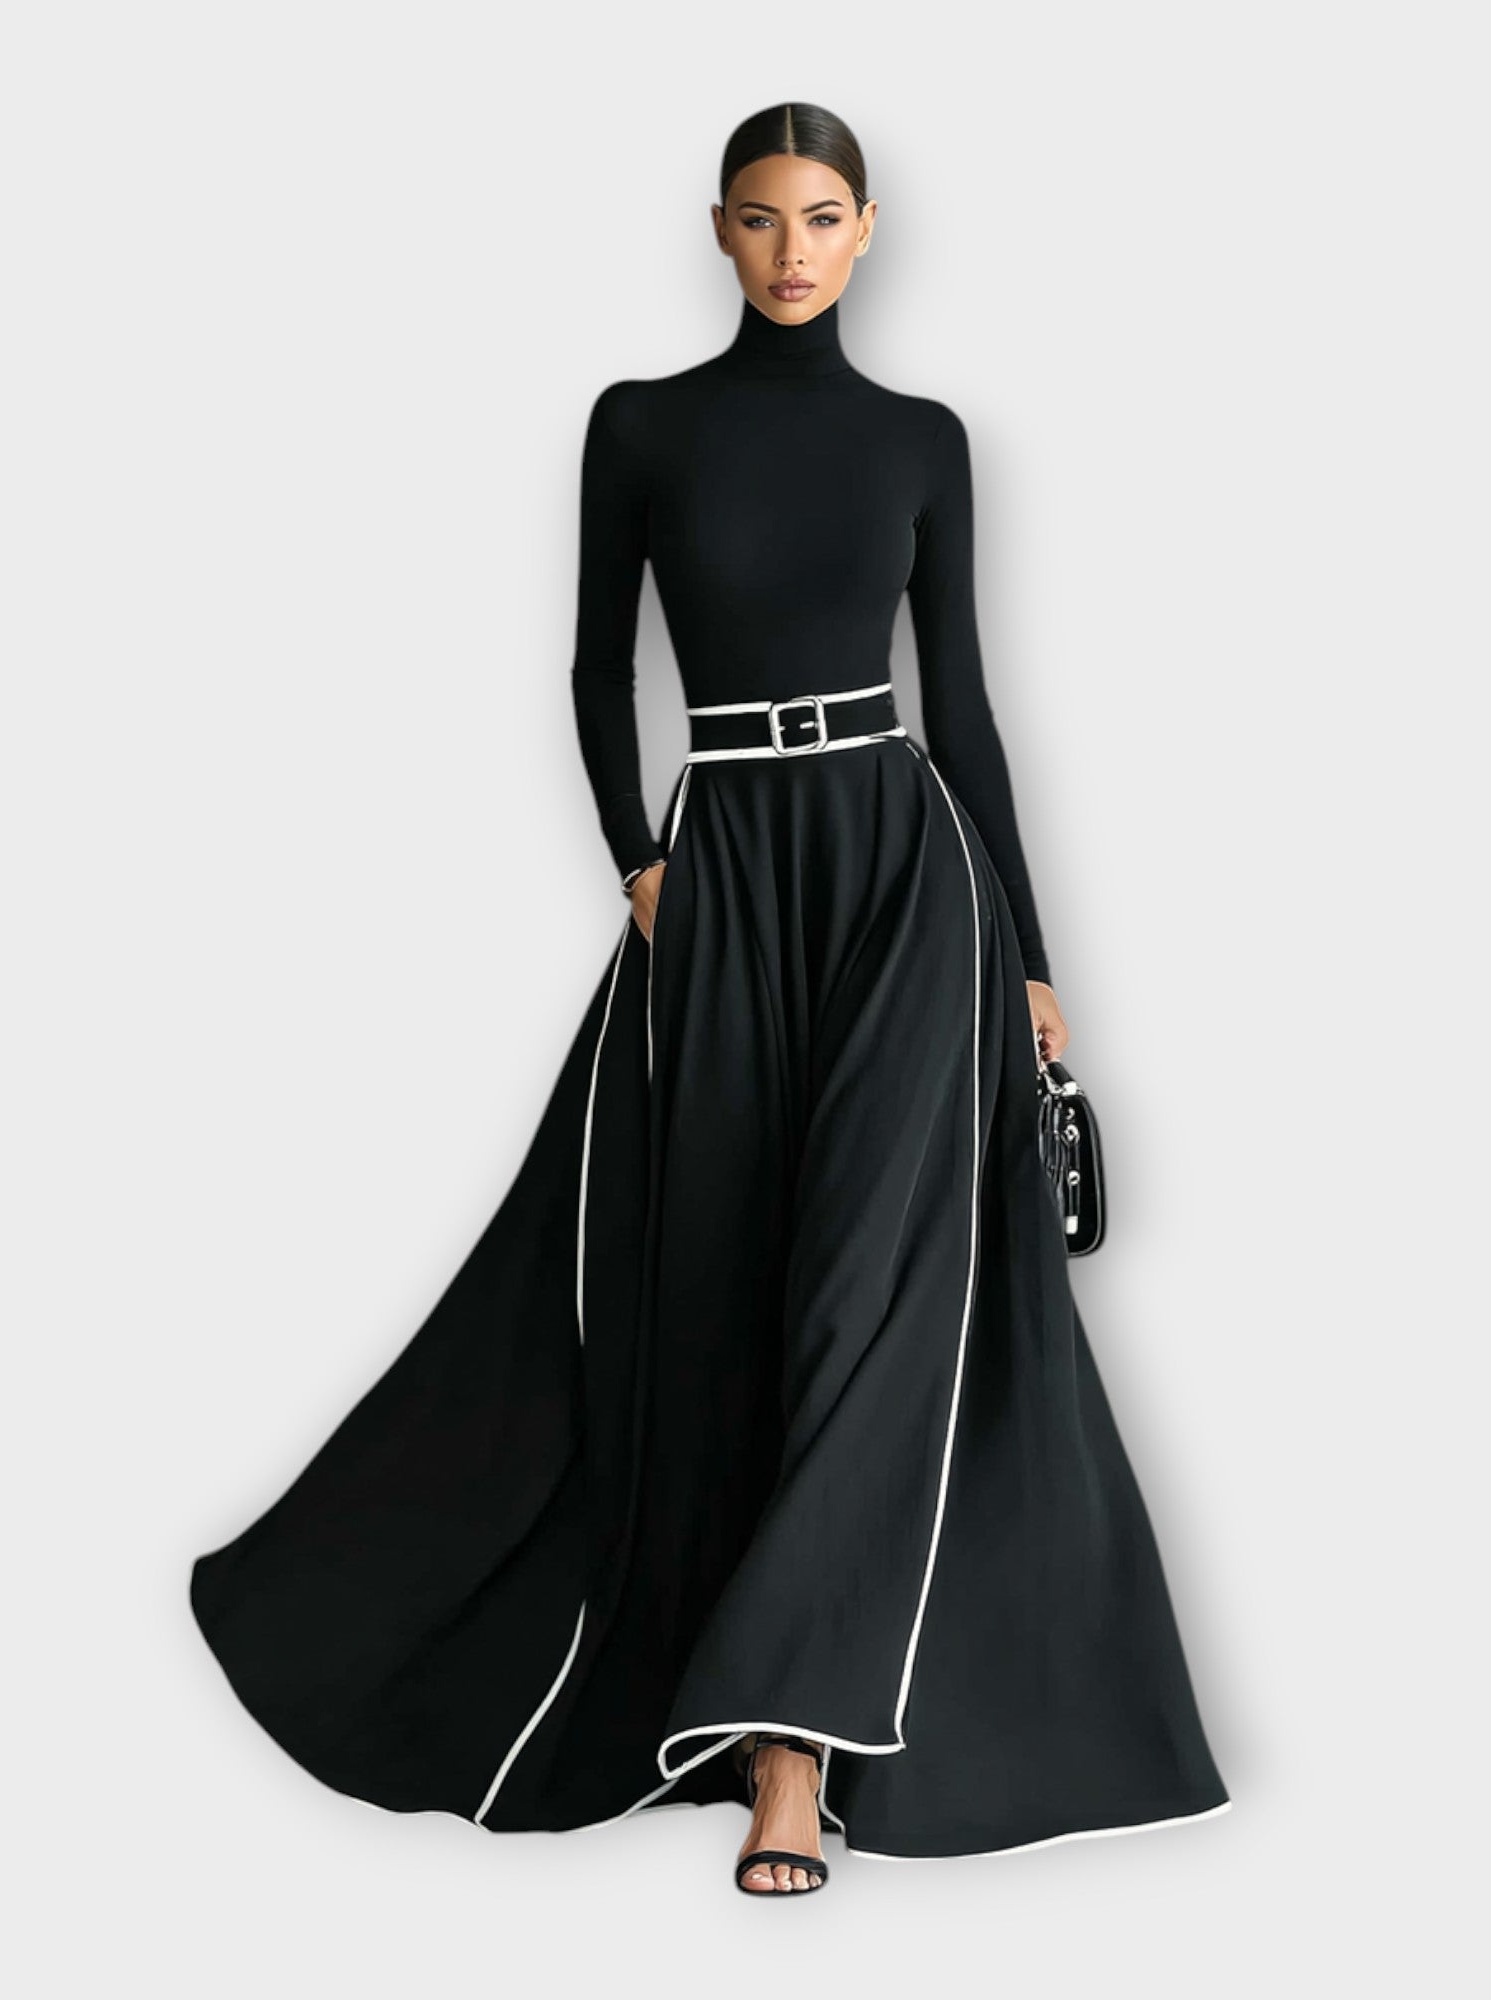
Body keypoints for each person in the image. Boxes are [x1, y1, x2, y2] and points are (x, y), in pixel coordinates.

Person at [189, 102, 1230, 1899]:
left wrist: (1034, 958)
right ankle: (727, 1704)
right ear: (721, 231)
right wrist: (639, 863)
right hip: (727, 873)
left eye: (823, 217)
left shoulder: (924, 440)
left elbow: (965, 707)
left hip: (906, 881)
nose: (793, 250)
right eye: (762, 218)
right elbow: (596, 666)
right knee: (727, 1285)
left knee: (865, 1301)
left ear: (870, 229)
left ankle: (790, 1762)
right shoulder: (642, 425)